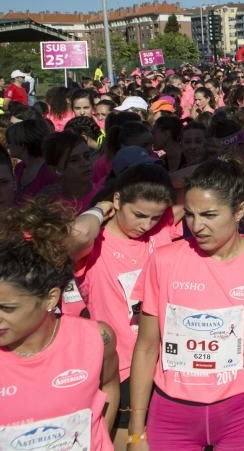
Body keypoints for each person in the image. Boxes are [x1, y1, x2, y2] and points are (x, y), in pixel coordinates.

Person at [128, 157, 244, 450]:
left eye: (209, 215)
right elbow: (146, 346)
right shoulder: (164, 261)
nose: (198, 226)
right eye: (190, 215)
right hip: (171, 413)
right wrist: (135, 429)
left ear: (239, 211)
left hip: (241, 412)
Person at [69, 163, 180, 448]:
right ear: (118, 200)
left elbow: (193, 180)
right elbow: (78, 234)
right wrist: (99, 207)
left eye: (155, 217)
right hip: (120, 372)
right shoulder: (95, 245)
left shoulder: (160, 231)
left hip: (167, 366)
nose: (146, 225)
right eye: (139, 215)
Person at [0, 200, 119, 450]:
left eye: (7, 308)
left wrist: (100, 439)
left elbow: (108, 386)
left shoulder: (98, 338)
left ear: (50, 298)